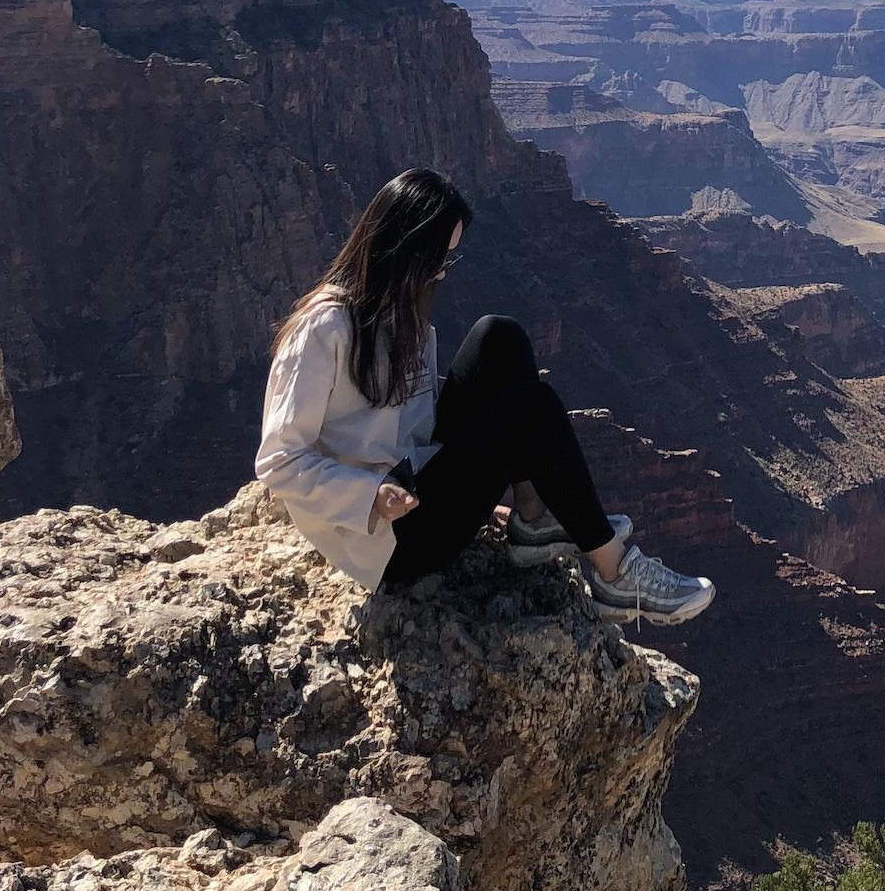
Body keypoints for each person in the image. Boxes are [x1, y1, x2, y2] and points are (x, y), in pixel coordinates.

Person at [255, 167, 714, 624]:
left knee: (499, 336)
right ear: (405, 248)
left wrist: (472, 480)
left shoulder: (403, 320)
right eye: (438, 257)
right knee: (531, 409)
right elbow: (279, 460)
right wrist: (370, 494)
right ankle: (616, 574)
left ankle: (533, 518)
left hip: (419, 488)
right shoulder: (324, 330)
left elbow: (411, 420)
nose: (441, 272)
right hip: (388, 540)